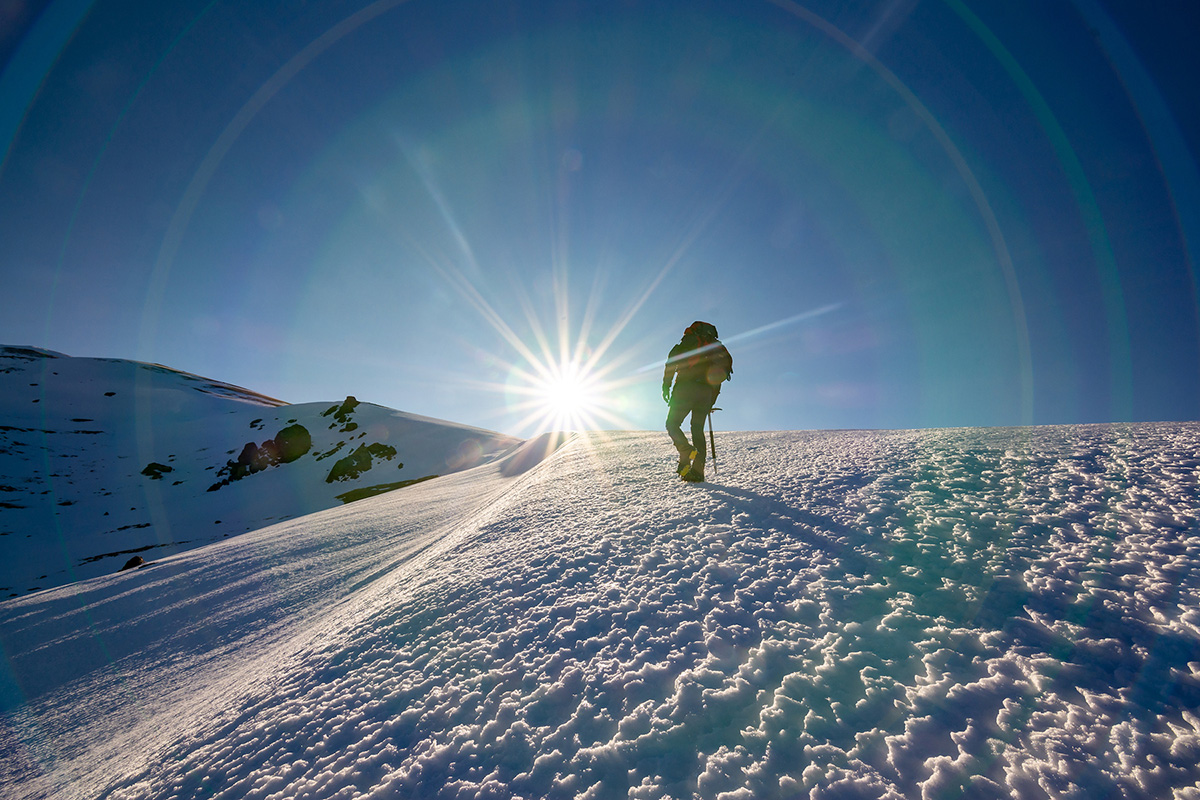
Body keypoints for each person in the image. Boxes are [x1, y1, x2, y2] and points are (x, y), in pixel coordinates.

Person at [662, 321, 733, 482]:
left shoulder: (686, 343)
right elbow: (718, 378)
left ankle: (685, 451)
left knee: (672, 424)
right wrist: (710, 402)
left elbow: (670, 365)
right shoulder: (716, 348)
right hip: (706, 393)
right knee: (697, 430)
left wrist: (665, 387)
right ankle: (697, 472)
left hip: (685, 389)